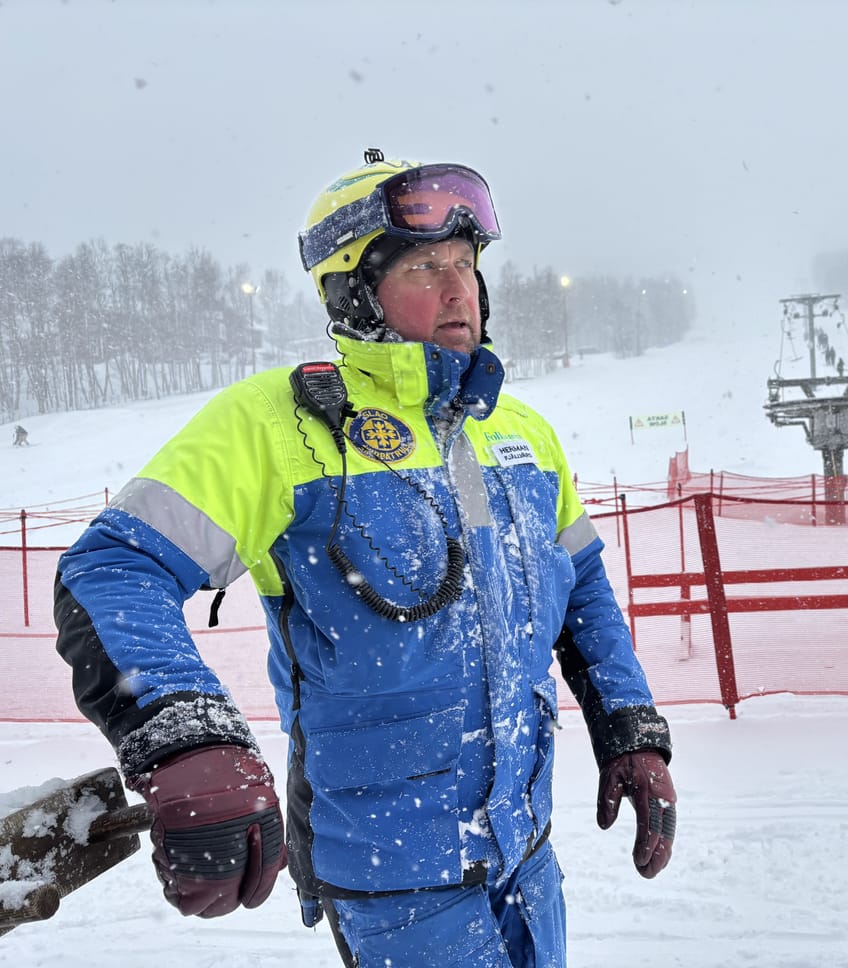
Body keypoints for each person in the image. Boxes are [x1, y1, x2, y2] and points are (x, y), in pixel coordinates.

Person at [52, 150, 676, 967]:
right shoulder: (278, 425)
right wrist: (187, 737)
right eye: (425, 265)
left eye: (466, 263)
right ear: (353, 291)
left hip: (527, 857)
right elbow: (113, 570)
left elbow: (582, 586)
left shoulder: (519, 433)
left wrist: (628, 722)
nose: (460, 290)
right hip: (395, 880)